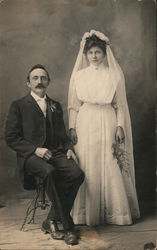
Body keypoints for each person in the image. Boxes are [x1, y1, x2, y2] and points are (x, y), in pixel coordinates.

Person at [5, 64, 85, 245]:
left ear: (48, 81)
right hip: (30, 157)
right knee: (49, 172)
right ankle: (66, 226)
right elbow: (11, 138)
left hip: (55, 153)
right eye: (35, 78)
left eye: (43, 78)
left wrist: (68, 149)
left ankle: (50, 219)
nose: (39, 81)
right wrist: (35, 150)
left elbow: (62, 135)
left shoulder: (55, 105)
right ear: (28, 83)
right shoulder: (18, 105)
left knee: (77, 174)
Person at [68, 30, 140, 226]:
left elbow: (120, 105)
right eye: (90, 53)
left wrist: (119, 126)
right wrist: (72, 127)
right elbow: (73, 105)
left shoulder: (114, 75)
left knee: (109, 160)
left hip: (107, 117)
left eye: (98, 52)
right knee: (88, 161)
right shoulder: (79, 76)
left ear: (104, 53)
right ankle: (85, 213)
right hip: (86, 119)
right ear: (85, 55)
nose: (94, 56)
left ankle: (115, 212)